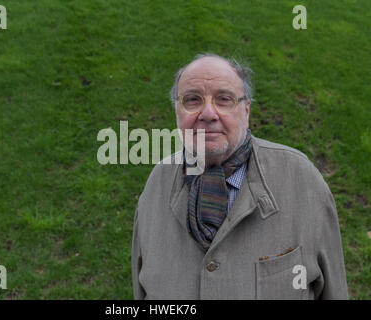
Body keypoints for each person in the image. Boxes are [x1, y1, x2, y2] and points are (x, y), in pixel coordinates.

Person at [131, 53, 348, 300]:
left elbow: (334, 292)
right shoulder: (155, 186)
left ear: (246, 110)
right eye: (192, 100)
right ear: (177, 111)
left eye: (224, 99)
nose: (208, 114)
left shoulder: (302, 180)